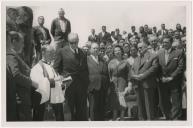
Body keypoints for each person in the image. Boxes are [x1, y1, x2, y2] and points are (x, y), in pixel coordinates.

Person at [53, 33, 89, 121]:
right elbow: (55, 68)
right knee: (69, 113)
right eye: (71, 43)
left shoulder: (83, 52)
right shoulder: (61, 51)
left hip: (81, 88)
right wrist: (60, 78)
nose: (74, 44)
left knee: (81, 112)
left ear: (78, 41)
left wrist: (86, 84)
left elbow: (85, 70)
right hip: (68, 87)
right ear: (68, 42)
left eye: (75, 42)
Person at [6, 31, 38, 121]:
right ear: (13, 42)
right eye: (22, 42)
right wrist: (32, 83)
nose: (23, 45)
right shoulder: (10, 56)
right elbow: (16, 75)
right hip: (20, 100)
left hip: (23, 98)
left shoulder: (14, 55)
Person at [30, 45, 66, 121]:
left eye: (54, 52)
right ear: (43, 52)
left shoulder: (51, 66)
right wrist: (54, 80)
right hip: (45, 105)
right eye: (50, 52)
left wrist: (62, 83)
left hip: (57, 101)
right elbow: (38, 84)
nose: (53, 55)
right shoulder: (37, 68)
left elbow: (57, 82)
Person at [157, 35, 185, 120]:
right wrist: (160, 77)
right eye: (163, 42)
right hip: (163, 82)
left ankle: (175, 119)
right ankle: (168, 118)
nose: (164, 44)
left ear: (171, 43)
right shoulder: (159, 53)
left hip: (174, 82)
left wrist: (171, 77)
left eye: (166, 42)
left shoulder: (178, 52)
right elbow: (157, 67)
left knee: (176, 102)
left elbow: (181, 67)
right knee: (164, 102)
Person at [131, 41, 159, 120]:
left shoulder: (153, 56)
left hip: (148, 84)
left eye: (141, 47)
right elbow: (132, 69)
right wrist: (135, 76)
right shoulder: (137, 58)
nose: (139, 49)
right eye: (138, 48)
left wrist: (143, 76)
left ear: (146, 47)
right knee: (140, 106)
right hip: (137, 84)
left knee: (149, 106)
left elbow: (154, 68)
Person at [108, 45, 132, 120]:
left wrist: (129, 85)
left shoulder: (126, 62)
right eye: (115, 51)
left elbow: (129, 75)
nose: (117, 52)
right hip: (113, 84)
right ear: (114, 53)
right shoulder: (110, 62)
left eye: (119, 50)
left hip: (122, 82)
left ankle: (122, 117)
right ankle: (114, 116)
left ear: (121, 51)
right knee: (114, 99)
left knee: (122, 99)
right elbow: (109, 74)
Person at [87, 43, 109, 121]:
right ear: (90, 50)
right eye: (94, 48)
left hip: (103, 88)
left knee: (102, 109)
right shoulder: (86, 59)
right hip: (92, 88)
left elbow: (106, 73)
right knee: (93, 109)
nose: (96, 50)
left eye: (97, 48)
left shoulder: (102, 59)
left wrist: (107, 86)